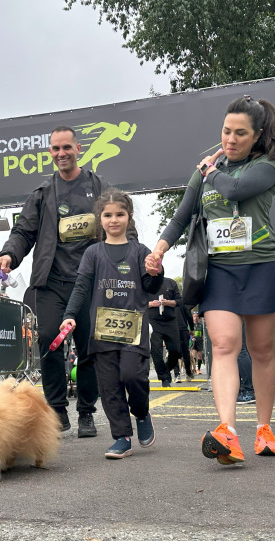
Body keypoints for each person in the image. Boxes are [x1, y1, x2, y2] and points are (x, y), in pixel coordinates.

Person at [146, 95, 275, 464]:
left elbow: (234, 190)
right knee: (225, 344)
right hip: (219, 272)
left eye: (240, 133)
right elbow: (181, 216)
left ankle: (264, 428)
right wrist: (159, 249)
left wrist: (209, 170)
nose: (230, 139)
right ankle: (227, 431)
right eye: (226, 131)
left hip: (261, 267)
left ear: (257, 135)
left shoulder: (268, 166)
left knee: (262, 351)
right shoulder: (203, 174)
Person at [0, 126, 114, 437]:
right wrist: (9, 254)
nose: (61, 154)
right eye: (55, 149)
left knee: (90, 348)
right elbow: (23, 232)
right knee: (49, 341)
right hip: (51, 283)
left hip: (90, 284)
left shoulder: (99, 187)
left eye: (66, 147)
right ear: (50, 152)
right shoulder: (43, 194)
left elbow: (120, 223)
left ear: (78, 148)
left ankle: (87, 412)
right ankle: (58, 411)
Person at [60, 189, 162, 458]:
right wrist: (69, 314)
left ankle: (141, 413)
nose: (113, 220)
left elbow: (151, 287)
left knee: (132, 376)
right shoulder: (93, 253)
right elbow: (81, 287)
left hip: (133, 331)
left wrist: (155, 272)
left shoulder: (141, 251)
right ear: (99, 219)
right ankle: (121, 436)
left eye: (120, 214)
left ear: (129, 218)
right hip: (102, 332)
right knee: (109, 386)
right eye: (107, 215)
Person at [146, 278, 182, 388]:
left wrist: (169, 302)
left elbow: (179, 301)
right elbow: (137, 301)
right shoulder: (145, 283)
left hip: (170, 321)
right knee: (156, 351)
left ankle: (166, 370)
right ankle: (164, 378)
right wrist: (150, 304)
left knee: (176, 350)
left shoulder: (170, 283)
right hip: (153, 321)